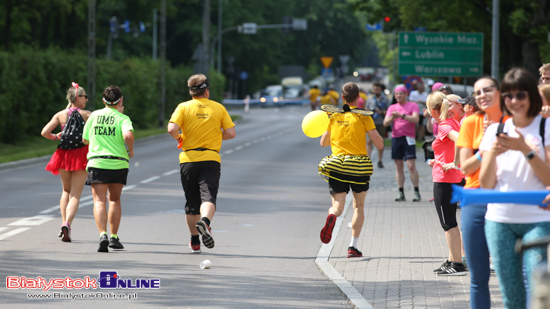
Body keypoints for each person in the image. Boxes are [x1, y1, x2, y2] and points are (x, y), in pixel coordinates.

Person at [479, 68, 550, 308]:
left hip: (539, 219)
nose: (514, 101)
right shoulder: (495, 131)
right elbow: (487, 185)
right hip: (500, 221)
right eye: (508, 96)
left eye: (520, 95)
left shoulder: (545, 128)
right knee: (512, 296)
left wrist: (525, 149)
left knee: (540, 288)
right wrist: (491, 155)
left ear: (531, 95)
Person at [167, 74, 236, 253]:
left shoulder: (183, 107)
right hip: (211, 159)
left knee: (192, 203)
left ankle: (195, 241)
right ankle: (205, 222)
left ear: (191, 92)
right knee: (208, 197)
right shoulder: (218, 107)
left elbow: (172, 129)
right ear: (206, 90)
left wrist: (181, 138)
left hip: (188, 160)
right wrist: (215, 135)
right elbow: (231, 133)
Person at [456, 75, 507, 308]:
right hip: (476, 196)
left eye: (488, 90)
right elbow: (465, 167)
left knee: (510, 275)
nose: (483, 95)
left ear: (500, 92)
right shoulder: (470, 122)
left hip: (507, 197)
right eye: (478, 93)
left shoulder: (515, 119)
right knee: (478, 278)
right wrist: (485, 145)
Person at [319, 82, 384, 258]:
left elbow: (323, 142)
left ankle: (333, 215)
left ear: (342, 97)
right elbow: (378, 143)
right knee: (358, 206)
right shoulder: (364, 117)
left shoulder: (334, 116)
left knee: (337, 206)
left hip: (337, 165)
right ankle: (352, 247)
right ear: (359, 98)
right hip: (359, 167)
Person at [83, 85, 134, 253]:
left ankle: (102, 234)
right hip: (118, 163)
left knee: (99, 200)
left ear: (103, 100)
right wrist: (131, 150)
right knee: (114, 200)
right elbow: (127, 135)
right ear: (121, 100)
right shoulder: (122, 118)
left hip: (97, 163)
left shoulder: (94, 115)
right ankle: (114, 237)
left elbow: (84, 140)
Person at [41, 82, 91, 242]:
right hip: (81, 154)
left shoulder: (60, 115)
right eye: (85, 97)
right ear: (78, 98)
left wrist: (56, 136)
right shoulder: (88, 115)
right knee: (76, 195)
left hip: (63, 155)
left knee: (65, 191)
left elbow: (44, 132)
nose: (87, 100)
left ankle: (63, 223)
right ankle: (68, 223)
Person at [426, 92, 467, 276]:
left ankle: (457, 264)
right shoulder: (452, 122)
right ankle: (453, 259)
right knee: (451, 222)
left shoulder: (443, 125)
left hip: (445, 180)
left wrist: (455, 163)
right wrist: (440, 159)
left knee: (448, 223)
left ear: (433, 110)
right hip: (450, 177)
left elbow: (460, 140)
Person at [383, 86, 421, 202]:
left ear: (406, 94)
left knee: (411, 165)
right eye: (397, 94)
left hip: (408, 138)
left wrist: (402, 116)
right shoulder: (392, 107)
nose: (399, 96)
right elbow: (385, 123)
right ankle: (401, 192)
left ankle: (416, 191)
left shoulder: (412, 105)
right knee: (399, 166)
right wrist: (392, 118)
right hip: (396, 138)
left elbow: (416, 119)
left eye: (401, 94)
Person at [366, 82, 390, 168]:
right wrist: (369, 110)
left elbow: (389, 111)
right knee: (369, 141)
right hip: (371, 122)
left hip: (381, 122)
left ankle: (380, 160)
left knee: (380, 142)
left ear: (381, 90)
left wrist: (382, 112)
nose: (376, 90)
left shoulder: (386, 99)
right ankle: (368, 159)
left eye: (378, 89)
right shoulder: (370, 99)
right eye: (375, 88)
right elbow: (366, 109)